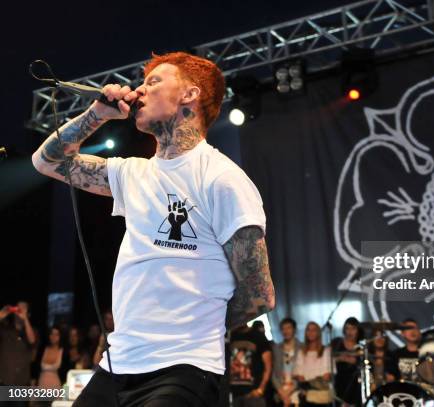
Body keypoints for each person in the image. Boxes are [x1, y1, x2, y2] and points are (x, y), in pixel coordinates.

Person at [32, 51, 275, 406]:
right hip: (118, 364)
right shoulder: (133, 173)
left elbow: (259, 295)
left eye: (154, 81)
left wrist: (195, 327)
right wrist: (97, 114)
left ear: (189, 94)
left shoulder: (222, 179)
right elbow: (47, 161)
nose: (140, 90)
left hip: (185, 369)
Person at [229, 324, 273, 407]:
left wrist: (261, 389)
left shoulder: (258, 336)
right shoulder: (231, 336)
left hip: (254, 394)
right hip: (234, 394)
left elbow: (269, 366)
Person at [293, 322, 333, 407]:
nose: (310, 332)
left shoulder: (326, 351)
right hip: (305, 396)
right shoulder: (301, 352)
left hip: (321, 397)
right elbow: (298, 375)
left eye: (314, 330)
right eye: (308, 330)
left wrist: (308, 379)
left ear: (318, 332)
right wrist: (315, 377)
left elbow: (326, 375)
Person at [0, 301, 36, 387]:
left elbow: (32, 341)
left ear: (28, 313)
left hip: (22, 383)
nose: (20, 310)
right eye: (18, 308)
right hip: (5, 382)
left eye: (23, 308)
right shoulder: (5, 329)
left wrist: (25, 319)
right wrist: (0, 316)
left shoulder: (31, 331)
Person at [331, 317, 363, 406]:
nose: (350, 332)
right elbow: (325, 360)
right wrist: (340, 359)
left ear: (358, 331)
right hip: (337, 385)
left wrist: (355, 361)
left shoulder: (361, 347)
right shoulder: (336, 343)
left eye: (353, 329)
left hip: (355, 388)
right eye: (347, 328)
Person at [272, 318, 301, 407]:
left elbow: (305, 373)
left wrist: (289, 391)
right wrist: (281, 391)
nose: (286, 331)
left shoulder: (302, 348)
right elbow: (273, 373)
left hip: (297, 391)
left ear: (294, 330)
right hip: (280, 392)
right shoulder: (276, 348)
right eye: (283, 328)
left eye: (289, 328)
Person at [37, 326, 65, 391]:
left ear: (60, 336)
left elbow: (65, 372)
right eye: (51, 334)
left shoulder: (63, 351)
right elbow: (36, 368)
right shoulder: (42, 349)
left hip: (56, 387)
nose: (53, 337)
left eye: (56, 334)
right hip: (41, 386)